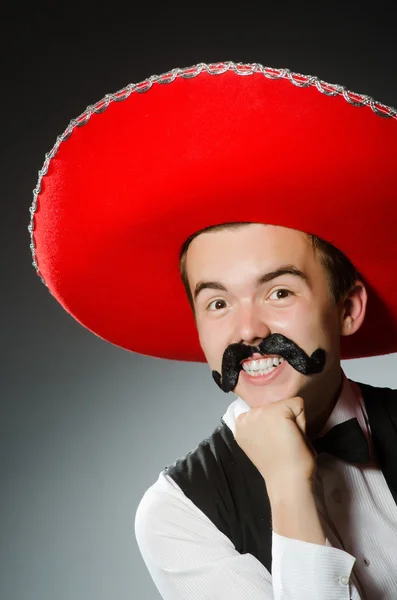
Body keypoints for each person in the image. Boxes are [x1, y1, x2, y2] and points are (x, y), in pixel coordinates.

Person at [29, 62, 397, 599]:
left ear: (347, 310)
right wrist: (288, 485)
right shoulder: (176, 515)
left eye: (279, 293)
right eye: (218, 302)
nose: (247, 330)